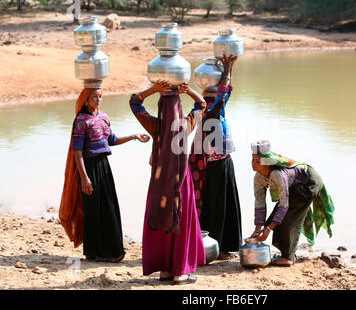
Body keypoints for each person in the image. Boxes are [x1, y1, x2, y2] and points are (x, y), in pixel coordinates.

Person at [59, 87, 150, 262]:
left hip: (104, 166)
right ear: (86, 99)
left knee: (109, 206)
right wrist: (84, 178)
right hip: (89, 167)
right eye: (94, 97)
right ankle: (95, 252)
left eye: (100, 96)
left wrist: (133, 136)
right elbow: (77, 151)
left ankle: (111, 252)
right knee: (93, 209)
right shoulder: (81, 120)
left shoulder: (104, 117)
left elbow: (111, 140)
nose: (99, 100)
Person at [129, 80, 206, 285]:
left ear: (161, 109)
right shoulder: (186, 124)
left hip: (160, 183)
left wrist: (153, 90)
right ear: (179, 108)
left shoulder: (156, 126)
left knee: (163, 219)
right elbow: (202, 105)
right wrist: (188, 91)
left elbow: (135, 103)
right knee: (180, 222)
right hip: (182, 183)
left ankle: (165, 270)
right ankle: (180, 272)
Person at [188, 54, 243, 261]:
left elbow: (225, 93)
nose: (217, 102)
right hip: (213, 166)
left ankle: (226, 244)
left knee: (228, 203)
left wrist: (230, 68)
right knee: (215, 206)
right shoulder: (209, 112)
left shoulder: (218, 113)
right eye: (209, 101)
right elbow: (221, 94)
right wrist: (227, 68)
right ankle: (215, 246)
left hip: (225, 162)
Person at [250, 140, 335, 267]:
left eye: (258, 161)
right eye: (252, 159)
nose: (253, 164)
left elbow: (284, 206)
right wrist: (258, 229)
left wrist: (268, 229)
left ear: (267, 164)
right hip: (293, 186)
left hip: (308, 184)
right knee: (274, 219)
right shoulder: (258, 177)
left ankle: (288, 257)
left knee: (290, 219)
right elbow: (260, 204)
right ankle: (286, 254)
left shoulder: (278, 174)